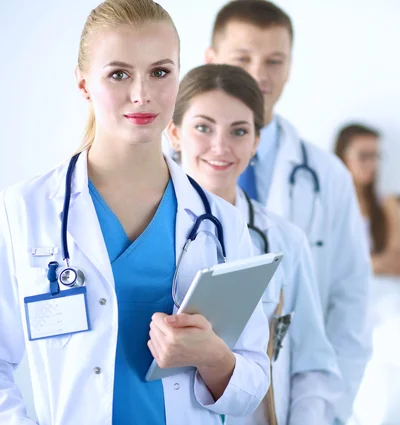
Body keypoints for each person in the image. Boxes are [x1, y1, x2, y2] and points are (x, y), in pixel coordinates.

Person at [0, 1, 271, 424]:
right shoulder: (25, 211)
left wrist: (214, 358)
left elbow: (251, 384)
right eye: (119, 74)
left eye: (160, 72)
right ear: (84, 83)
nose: (142, 93)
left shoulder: (221, 223)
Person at [204, 3, 372, 422]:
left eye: (274, 60)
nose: (259, 73)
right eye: (242, 58)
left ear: (291, 66)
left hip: (294, 397)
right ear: (211, 60)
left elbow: (351, 302)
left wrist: (329, 409)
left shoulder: (327, 175)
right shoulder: (172, 169)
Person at [167, 63, 342, 425]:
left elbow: (312, 364)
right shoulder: (144, 231)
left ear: (256, 142)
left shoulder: (284, 240)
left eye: (239, 131)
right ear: (174, 133)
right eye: (203, 127)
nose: (220, 147)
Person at [334, 123, 400, 326]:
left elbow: (396, 264)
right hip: (351, 298)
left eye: (376, 156)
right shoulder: (330, 206)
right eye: (363, 156)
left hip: (387, 293)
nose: (372, 164)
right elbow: (333, 266)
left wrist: (360, 264)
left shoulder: (388, 204)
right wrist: (373, 263)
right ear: (343, 157)